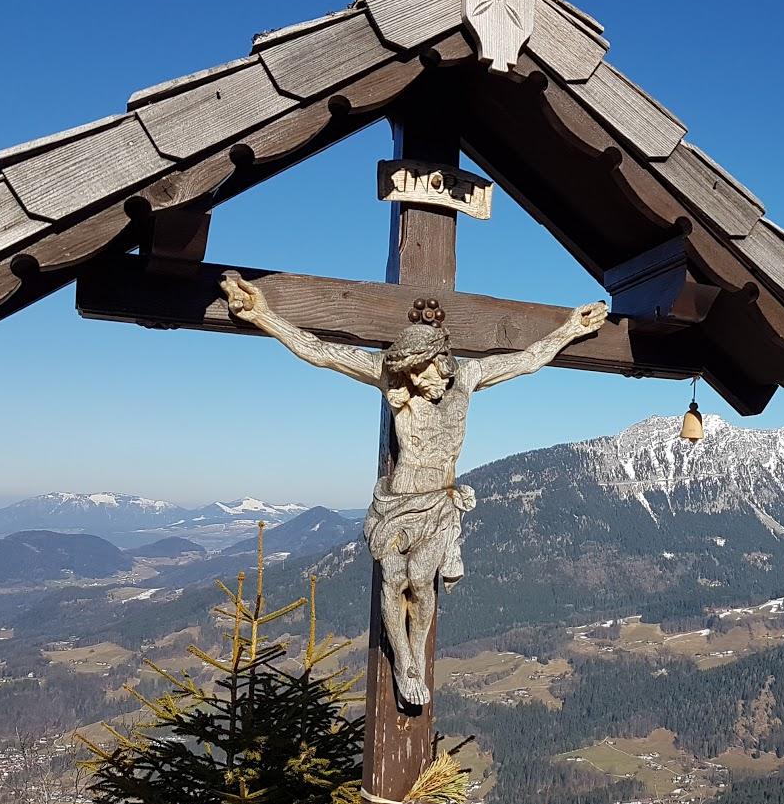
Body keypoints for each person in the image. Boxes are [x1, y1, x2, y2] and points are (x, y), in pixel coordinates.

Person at [221, 273, 606, 706]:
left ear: (441, 359)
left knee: (422, 582)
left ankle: (415, 660)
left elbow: (528, 359)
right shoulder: (394, 381)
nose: (423, 383)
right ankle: (404, 664)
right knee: (393, 578)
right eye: (413, 375)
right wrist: (264, 315)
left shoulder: (468, 377)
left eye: (426, 372)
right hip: (397, 502)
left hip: (438, 505)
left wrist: (572, 327)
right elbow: (323, 353)